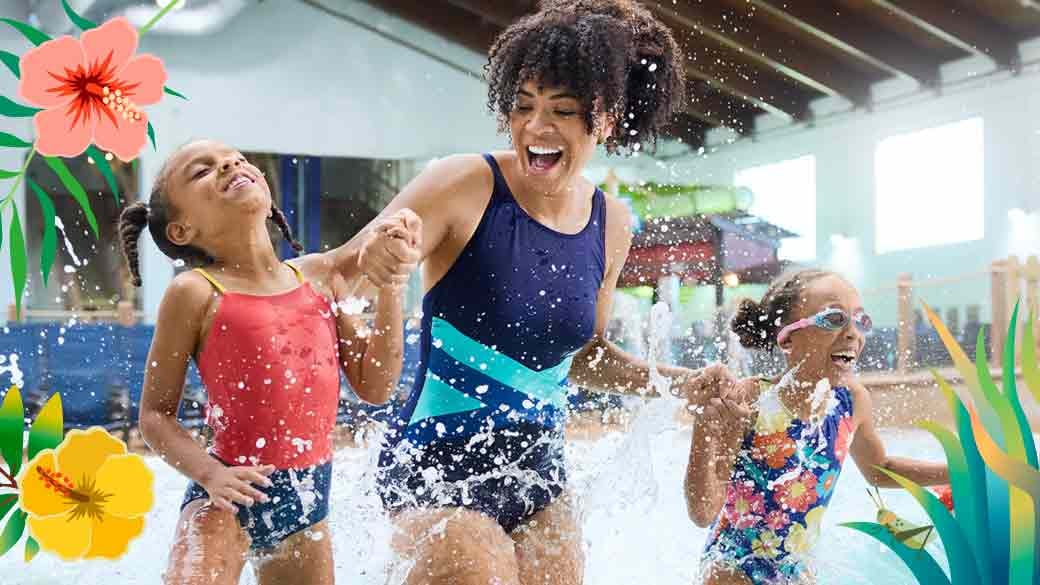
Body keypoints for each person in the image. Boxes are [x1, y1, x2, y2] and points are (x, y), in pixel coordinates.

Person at [351, 2, 738, 583]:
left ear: (603, 120)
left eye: (561, 110)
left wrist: (680, 384)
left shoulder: (611, 222)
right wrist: (375, 257)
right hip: (436, 462)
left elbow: (586, 356)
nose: (536, 127)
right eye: (522, 106)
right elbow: (343, 269)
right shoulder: (464, 183)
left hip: (539, 474)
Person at [119, 139, 421, 585]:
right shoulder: (196, 292)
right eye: (202, 171)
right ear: (181, 231)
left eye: (236, 159)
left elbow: (374, 387)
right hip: (225, 497)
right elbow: (154, 415)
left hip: (307, 505)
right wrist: (210, 474)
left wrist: (391, 284)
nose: (228, 163)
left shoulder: (321, 277)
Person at [685, 269, 949, 585]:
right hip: (733, 569)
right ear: (788, 338)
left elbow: (880, 468)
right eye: (834, 319)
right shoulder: (750, 399)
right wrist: (704, 425)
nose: (853, 333)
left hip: (796, 571)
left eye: (860, 321)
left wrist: (959, 472)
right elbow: (703, 512)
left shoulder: (851, 402)